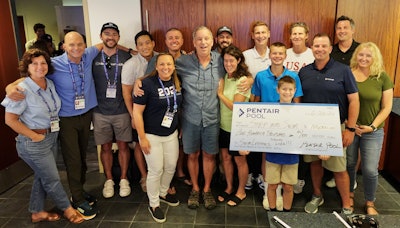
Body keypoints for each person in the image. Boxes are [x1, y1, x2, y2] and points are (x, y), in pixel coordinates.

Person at [6, 31, 102, 220]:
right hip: (65, 119)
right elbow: (30, 77)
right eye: (71, 45)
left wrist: (129, 49)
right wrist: (10, 87)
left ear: (85, 45)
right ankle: (76, 198)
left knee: (82, 156)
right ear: (63, 46)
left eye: (80, 44)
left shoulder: (88, 55)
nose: (76, 48)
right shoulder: (53, 64)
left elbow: (106, 42)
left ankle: (79, 190)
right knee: (73, 159)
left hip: (86, 115)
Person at [1, 49, 84, 224]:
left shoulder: (49, 83)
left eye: (43, 63)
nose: (40, 67)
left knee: (43, 175)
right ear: (27, 67)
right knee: (52, 178)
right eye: (34, 63)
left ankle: (37, 212)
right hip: (33, 142)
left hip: (50, 137)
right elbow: (10, 120)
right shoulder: (21, 89)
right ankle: (67, 209)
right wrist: (34, 136)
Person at [299, 33, 359, 215]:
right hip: (310, 128)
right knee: (314, 164)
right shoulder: (304, 71)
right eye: (316, 46)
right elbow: (299, 100)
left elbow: (354, 100)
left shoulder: (343, 70)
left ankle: (346, 203)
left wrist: (350, 129)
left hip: (335, 128)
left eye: (324, 46)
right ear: (312, 48)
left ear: (330, 49)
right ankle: (317, 195)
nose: (320, 49)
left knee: (339, 168)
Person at [251, 42, 303, 211]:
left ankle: (282, 196)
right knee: (268, 160)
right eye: (274, 53)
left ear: (285, 55)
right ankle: (269, 194)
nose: (277, 56)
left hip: (288, 129)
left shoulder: (293, 76)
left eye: (281, 53)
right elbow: (254, 102)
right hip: (268, 127)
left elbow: (297, 102)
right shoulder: (260, 76)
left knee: (286, 170)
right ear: (269, 55)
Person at [133, 53, 182, 223]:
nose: (165, 67)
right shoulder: (146, 84)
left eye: (169, 64)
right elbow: (137, 113)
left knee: (170, 167)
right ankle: (153, 204)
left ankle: (163, 192)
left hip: (171, 134)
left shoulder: (177, 82)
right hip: (151, 135)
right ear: (156, 66)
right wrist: (142, 138)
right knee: (155, 170)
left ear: (173, 66)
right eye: (162, 64)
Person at [347, 42, 393, 215]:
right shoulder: (348, 74)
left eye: (368, 55)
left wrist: (372, 126)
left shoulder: (382, 77)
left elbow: (387, 107)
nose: (364, 58)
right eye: (361, 55)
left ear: (375, 58)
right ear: (356, 56)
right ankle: (349, 195)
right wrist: (350, 125)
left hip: (373, 131)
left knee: (369, 169)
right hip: (351, 128)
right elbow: (343, 102)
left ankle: (369, 202)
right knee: (349, 164)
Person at [144, 28, 192, 189]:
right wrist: (138, 82)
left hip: (180, 109)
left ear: (182, 40)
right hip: (159, 113)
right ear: (165, 41)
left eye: (177, 38)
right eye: (170, 38)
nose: (174, 41)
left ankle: (177, 174)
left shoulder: (188, 59)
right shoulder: (157, 59)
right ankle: (165, 185)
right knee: (160, 159)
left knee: (177, 148)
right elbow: (147, 78)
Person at [92, 22, 132, 199]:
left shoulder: (127, 57)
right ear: (101, 36)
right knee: (105, 147)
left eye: (114, 34)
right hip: (100, 111)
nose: (110, 37)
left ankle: (123, 179)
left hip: (122, 110)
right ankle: (109, 180)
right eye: (107, 33)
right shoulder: (92, 56)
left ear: (118, 37)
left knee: (123, 146)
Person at [327, 15, 361, 189]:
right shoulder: (330, 51)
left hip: (355, 104)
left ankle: (351, 180)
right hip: (338, 108)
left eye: (345, 28)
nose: (341, 31)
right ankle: (338, 176)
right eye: (339, 28)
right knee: (340, 149)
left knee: (352, 151)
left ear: (352, 30)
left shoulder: (360, 50)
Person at [122, 30, 157, 193]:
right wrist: (133, 116)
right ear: (136, 46)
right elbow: (126, 93)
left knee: (155, 143)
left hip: (157, 111)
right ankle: (144, 176)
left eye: (147, 42)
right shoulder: (131, 64)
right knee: (139, 145)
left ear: (153, 43)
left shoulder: (159, 58)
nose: (145, 46)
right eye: (140, 44)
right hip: (139, 112)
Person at [217, 45, 251, 207]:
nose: (228, 64)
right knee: (225, 159)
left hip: (238, 129)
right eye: (225, 60)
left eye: (231, 60)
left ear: (238, 60)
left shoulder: (243, 79)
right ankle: (229, 187)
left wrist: (220, 95)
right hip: (223, 126)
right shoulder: (224, 76)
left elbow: (236, 106)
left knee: (240, 161)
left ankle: (241, 191)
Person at [283, 22, 314, 194]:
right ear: (289, 36)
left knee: (301, 145)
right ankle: (285, 178)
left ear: (306, 36)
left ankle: (299, 179)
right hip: (286, 105)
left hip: (306, 104)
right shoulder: (285, 54)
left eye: (300, 33)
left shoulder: (311, 55)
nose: (297, 36)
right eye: (294, 33)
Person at [243, 20, 272, 193]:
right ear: (252, 36)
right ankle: (250, 173)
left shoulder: (275, 53)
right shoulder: (245, 55)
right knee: (251, 143)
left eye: (263, 32)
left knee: (265, 145)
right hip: (250, 106)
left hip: (269, 107)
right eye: (257, 33)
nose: (260, 36)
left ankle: (262, 174)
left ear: (268, 34)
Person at [265, 76, 299, 212]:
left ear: (295, 91)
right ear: (278, 90)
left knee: (288, 186)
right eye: (284, 89)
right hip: (273, 154)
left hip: (291, 155)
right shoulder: (269, 110)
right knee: (272, 185)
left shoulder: (301, 111)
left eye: (290, 89)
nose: (287, 92)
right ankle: (272, 211)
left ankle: (286, 213)